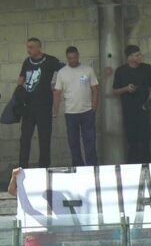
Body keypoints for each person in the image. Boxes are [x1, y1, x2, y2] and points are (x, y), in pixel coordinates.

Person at [17, 38, 63, 168]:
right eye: (27, 47)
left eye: (31, 47)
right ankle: (23, 166)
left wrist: (56, 86)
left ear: (38, 47)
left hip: (44, 106)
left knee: (44, 138)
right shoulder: (27, 62)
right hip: (28, 107)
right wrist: (19, 92)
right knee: (25, 138)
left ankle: (44, 166)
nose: (28, 50)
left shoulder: (50, 60)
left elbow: (65, 71)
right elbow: (21, 79)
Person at [53, 46, 99, 167]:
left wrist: (94, 107)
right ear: (67, 58)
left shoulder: (88, 70)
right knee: (73, 143)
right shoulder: (62, 72)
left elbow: (95, 89)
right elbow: (57, 92)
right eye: (70, 58)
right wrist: (56, 110)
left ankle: (92, 167)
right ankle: (78, 167)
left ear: (78, 56)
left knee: (90, 141)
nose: (72, 60)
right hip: (70, 113)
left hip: (87, 112)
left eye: (74, 57)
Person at [112, 45, 151, 164]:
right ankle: (132, 164)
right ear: (130, 57)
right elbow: (115, 90)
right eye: (137, 55)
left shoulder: (147, 68)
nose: (140, 57)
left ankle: (147, 163)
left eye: (140, 54)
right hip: (129, 110)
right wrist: (126, 88)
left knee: (145, 138)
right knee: (132, 139)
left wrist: (148, 103)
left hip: (144, 108)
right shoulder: (121, 71)